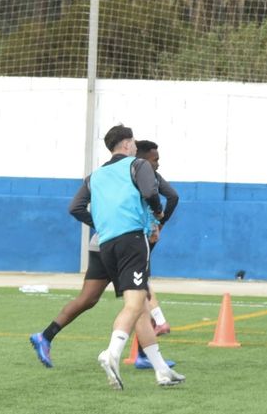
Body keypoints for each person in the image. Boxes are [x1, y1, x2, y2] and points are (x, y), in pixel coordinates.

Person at [31, 140, 178, 370]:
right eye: (154, 160)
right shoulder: (142, 171)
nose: (156, 164)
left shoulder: (102, 175)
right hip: (127, 241)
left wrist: (100, 223)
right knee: (138, 297)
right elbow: (172, 197)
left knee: (89, 299)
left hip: (100, 242)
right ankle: (139, 355)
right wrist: (160, 222)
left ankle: (45, 336)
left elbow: (75, 207)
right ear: (136, 155)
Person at [67, 125, 182, 389]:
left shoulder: (94, 176)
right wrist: (157, 216)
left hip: (106, 244)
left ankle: (162, 370)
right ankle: (112, 354)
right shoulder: (138, 164)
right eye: (133, 142)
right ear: (128, 144)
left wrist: (100, 220)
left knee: (140, 307)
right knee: (134, 304)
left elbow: (74, 208)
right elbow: (151, 193)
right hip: (132, 240)